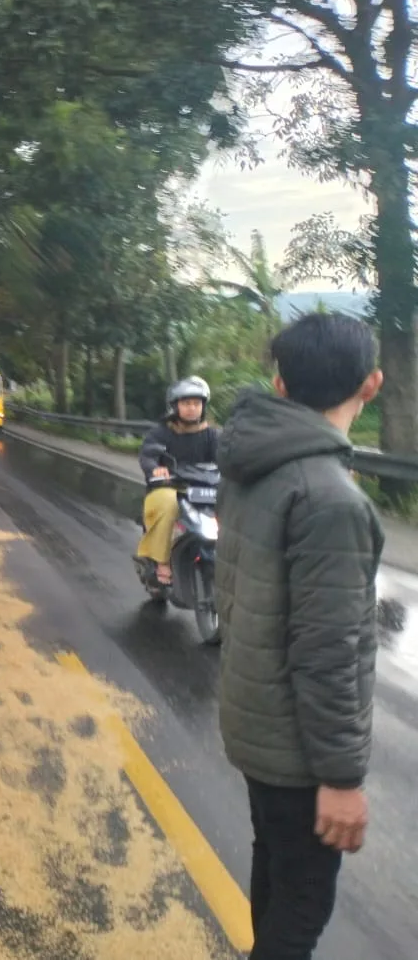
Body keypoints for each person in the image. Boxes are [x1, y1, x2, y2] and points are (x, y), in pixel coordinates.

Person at [216, 312, 384, 960]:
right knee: (304, 904)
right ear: (371, 384)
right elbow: (329, 650)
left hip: (254, 723)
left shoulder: (256, 463)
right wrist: (342, 778)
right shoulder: (330, 498)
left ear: (279, 385)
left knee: (277, 871)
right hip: (298, 749)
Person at [136, 376, 219, 585]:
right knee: (166, 504)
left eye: (196, 403)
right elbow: (148, 455)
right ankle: (162, 561)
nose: (192, 408)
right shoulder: (162, 432)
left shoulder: (211, 435)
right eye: (186, 403)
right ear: (175, 406)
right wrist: (155, 469)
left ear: (203, 406)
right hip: (170, 486)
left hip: (203, 487)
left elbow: (228, 458)